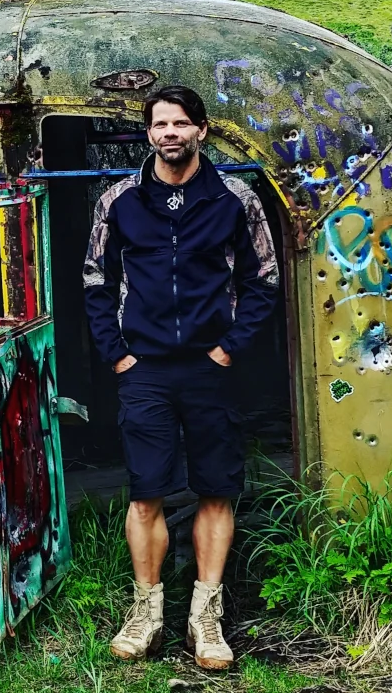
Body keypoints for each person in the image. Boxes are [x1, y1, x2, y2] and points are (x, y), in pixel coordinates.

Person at [82, 85, 278, 670]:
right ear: (149, 133)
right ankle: (146, 616)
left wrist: (227, 351)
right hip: (142, 370)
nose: (170, 133)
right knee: (146, 493)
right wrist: (117, 354)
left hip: (208, 368)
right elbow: (95, 279)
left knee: (216, 487)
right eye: (160, 124)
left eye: (180, 124)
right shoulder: (119, 200)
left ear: (202, 130)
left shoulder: (233, 200)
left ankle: (206, 620)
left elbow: (264, 279)